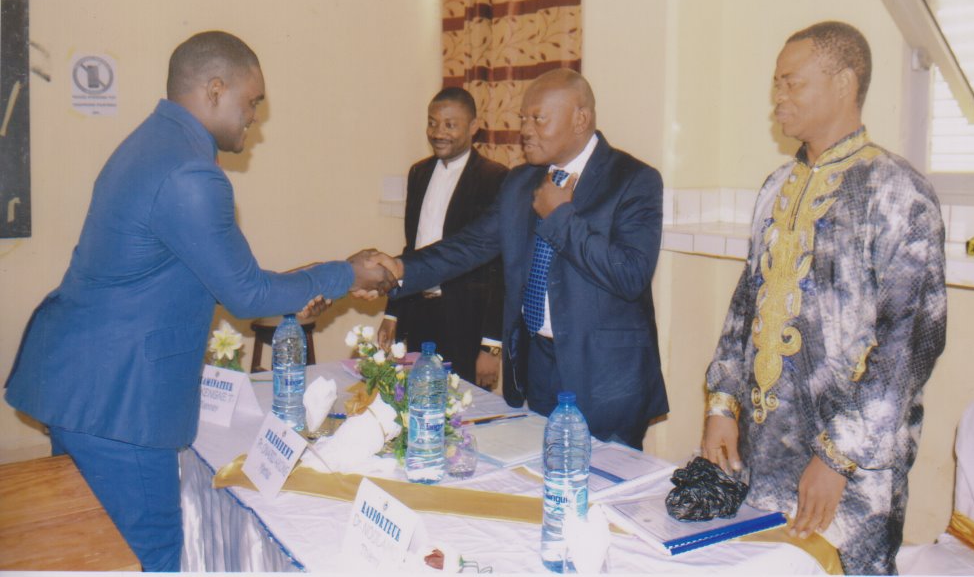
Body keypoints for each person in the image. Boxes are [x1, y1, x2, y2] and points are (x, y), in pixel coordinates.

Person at [4, 31, 398, 572]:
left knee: (96, 552)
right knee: (151, 554)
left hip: (85, 384)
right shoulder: (190, 173)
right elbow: (246, 293)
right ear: (215, 89)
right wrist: (346, 272)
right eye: (252, 102)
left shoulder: (154, 143)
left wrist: (319, 282)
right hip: (120, 403)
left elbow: (222, 277)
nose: (254, 118)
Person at [701, 21, 947, 575]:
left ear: (843, 83)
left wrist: (837, 458)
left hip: (852, 470)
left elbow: (909, 346)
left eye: (792, 83)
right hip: (763, 452)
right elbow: (744, 308)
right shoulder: (775, 188)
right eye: (776, 84)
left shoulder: (898, 192)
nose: (778, 97)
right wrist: (721, 405)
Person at [389, 68, 668, 449]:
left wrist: (560, 217)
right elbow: (469, 245)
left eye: (538, 119)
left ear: (580, 119)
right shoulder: (521, 182)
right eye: (522, 118)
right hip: (538, 366)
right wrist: (399, 271)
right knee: (539, 476)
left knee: (604, 483)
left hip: (606, 379)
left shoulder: (633, 179)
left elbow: (630, 275)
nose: (525, 130)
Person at [379, 88, 508, 388]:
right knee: (415, 399)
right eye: (432, 123)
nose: (438, 133)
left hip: (466, 322)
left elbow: (500, 266)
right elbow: (412, 250)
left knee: (464, 407)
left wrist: (491, 346)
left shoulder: (494, 177)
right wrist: (392, 314)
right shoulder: (418, 173)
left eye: (450, 125)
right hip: (418, 314)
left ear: (473, 127)